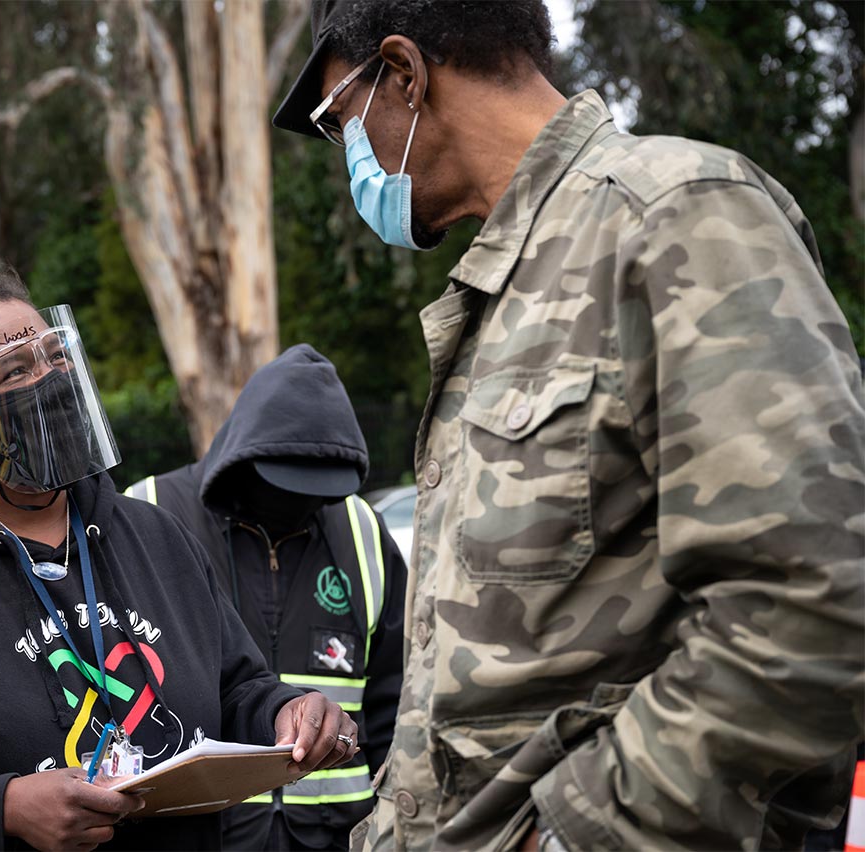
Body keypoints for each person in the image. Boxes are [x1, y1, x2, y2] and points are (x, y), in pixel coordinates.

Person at [271, 1, 865, 850]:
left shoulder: (675, 216)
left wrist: (569, 836)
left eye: (341, 122)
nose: (349, 159)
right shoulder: (505, 289)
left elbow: (814, 599)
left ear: (404, 73)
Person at [0, 267, 360, 852]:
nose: (49, 380)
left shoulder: (159, 538)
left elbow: (237, 688)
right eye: (15, 370)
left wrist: (288, 711)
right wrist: (0, 808)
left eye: (56, 357)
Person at [125, 344, 408, 851]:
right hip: (196, 835)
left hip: (342, 839)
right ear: (243, 460)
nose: (304, 504)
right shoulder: (150, 513)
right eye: (288, 485)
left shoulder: (361, 530)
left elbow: (398, 706)